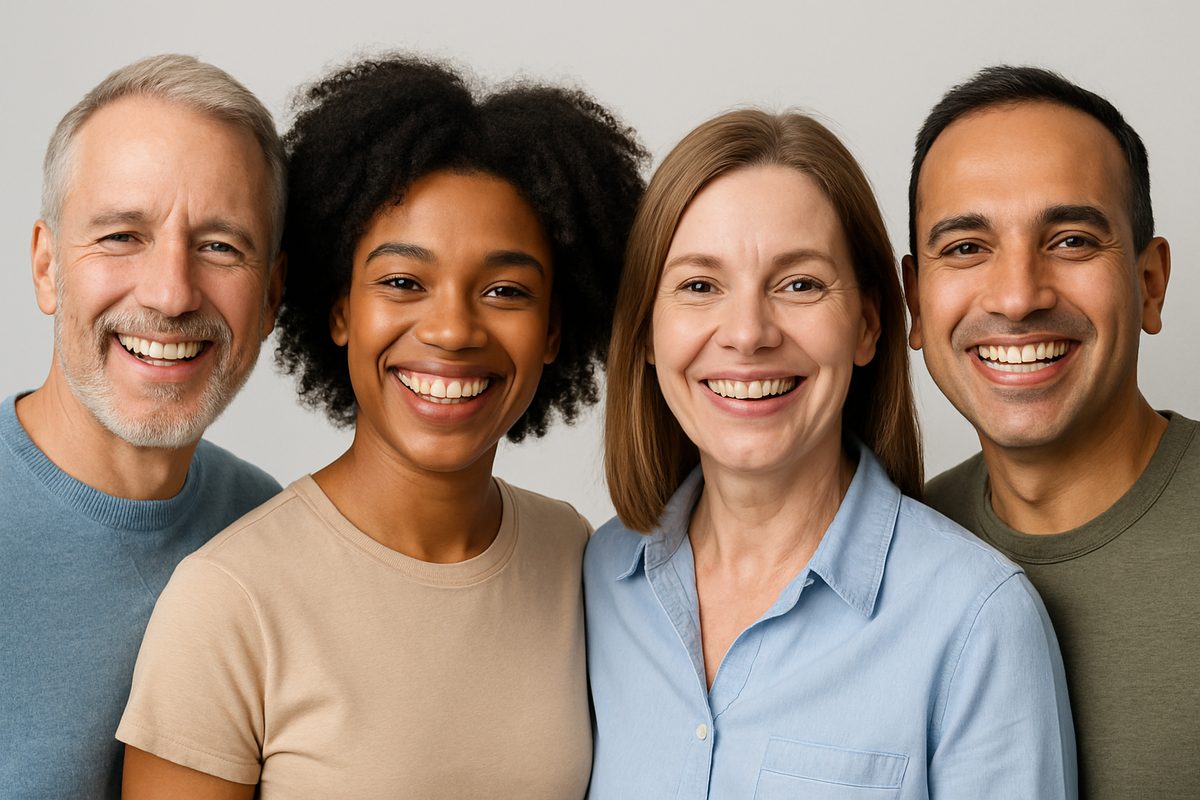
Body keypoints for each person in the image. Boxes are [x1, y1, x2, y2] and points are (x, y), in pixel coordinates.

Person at [116, 55, 645, 798]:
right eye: (403, 282)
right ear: (339, 310)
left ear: (555, 331)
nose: (454, 330)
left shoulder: (573, 556)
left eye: (504, 289)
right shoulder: (230, 599)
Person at [585, 108, 1076, 798]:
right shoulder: (596, 584)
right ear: (644, 333)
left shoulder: (977, 622)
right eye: (700, 286)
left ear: (869, 326)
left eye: (800, 284)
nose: (748, 334)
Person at [903, 65, 1198, 797]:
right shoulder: (893, 559)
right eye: (967, 246)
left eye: (1069, 240)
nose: (1017, 296)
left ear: (1149, 282)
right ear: (914, 300)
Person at [0, 54, 284, 798]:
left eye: (220, 245)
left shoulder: (268, 532)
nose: (170, 293)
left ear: (272, 297)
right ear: (46, 268)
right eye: (123, 234)